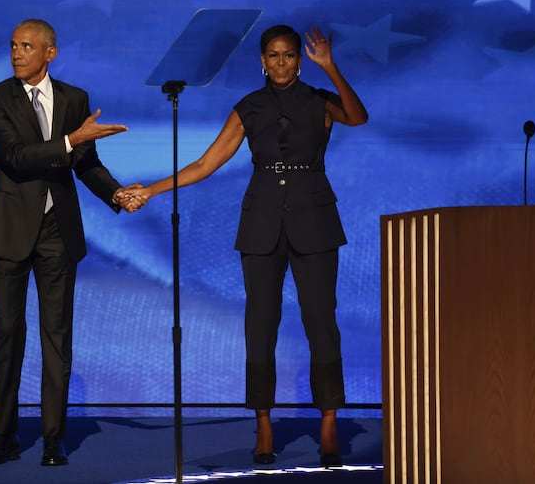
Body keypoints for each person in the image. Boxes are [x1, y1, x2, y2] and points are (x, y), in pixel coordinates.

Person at [125, 24, 368, 467]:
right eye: (273, 56)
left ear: (299, 59)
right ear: (261, 61)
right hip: (261, 225)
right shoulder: (249, 107)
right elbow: (205, 163)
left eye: (290, 55)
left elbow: (358, 117)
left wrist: (330, 68)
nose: (281, 63)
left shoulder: (319, 101)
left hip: (315, 221)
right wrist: (151, 190)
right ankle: (263, 422)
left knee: (321, 324)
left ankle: (329, 421)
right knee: (260, 326)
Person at [0, 18, 142, 467]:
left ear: (50, 53)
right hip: (9, 230)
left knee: (57, 336)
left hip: (57, 231)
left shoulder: (74, 99)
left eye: (26, 46)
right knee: (8, 334)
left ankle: (53, 438)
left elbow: (85, 162)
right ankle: (5, 437)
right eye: (12, 45)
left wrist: (115, 193)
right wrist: (71, 139)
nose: (15, 53)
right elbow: (14, 157)